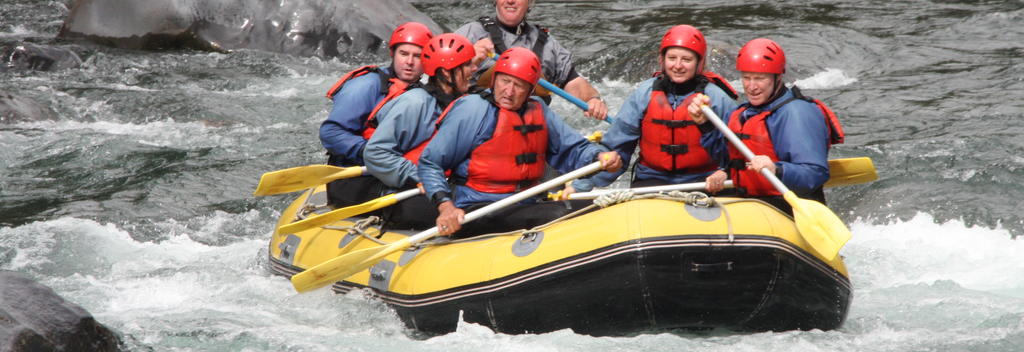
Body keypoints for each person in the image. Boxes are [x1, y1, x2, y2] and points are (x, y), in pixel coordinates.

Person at [417, 47, 622, 237]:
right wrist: (445, 206)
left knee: (597, 209)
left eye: (519, 85)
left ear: (530, 90)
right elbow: (430, 163)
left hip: (527, 201)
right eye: (505, 81)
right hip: (479, 207)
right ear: (493, 80)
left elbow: (573, 150)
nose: (509, 91)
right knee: (557, 217)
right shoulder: (472, 109)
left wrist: (599, 157)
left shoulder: (538, 109)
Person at [567, 25, 739, 195]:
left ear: (699, 63)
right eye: (672, 58)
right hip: (652, 179)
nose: (678, 66)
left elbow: (738, 151)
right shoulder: (644, 94)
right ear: (662, 60)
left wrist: (725, 172)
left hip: (704, 180)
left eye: (686, 60)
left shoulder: (717, 98)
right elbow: (617, 150)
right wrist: (581, 185)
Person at [687, 38, 845, 214]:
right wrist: (705, 127)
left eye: (759, 78)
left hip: (786, 206)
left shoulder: (797, 113)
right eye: (746, 78)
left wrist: (776, 169)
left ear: (777, 77)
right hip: (751, 202)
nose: (752, 87)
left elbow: (815, 173)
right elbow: (732, 158)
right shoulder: (744, 112)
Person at [362, 33, 478, 229]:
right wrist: (419, 176)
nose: (474, 69)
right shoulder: (415, 103)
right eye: (467, 65)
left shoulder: (460, 103)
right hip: (404, 193)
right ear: (446, 73)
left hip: (444, 186)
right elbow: (375, 153)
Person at [317, 22, 432, 207]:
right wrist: (376, 155)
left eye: (417, 56)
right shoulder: (367, 85)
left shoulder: (424, 93)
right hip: (356, 178)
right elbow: (331, 134)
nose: (409, 62)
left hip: (395, 171)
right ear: (392, 54)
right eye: (404, 54)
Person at [456, 0, 608, 120]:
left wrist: (593, 100)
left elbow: (573, 82)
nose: (510, 1)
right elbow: (442, 85)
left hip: (527, 130)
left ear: (530, 2)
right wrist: (469, 62)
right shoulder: (471, 34)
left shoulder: (548, 45)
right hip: (480, 124)